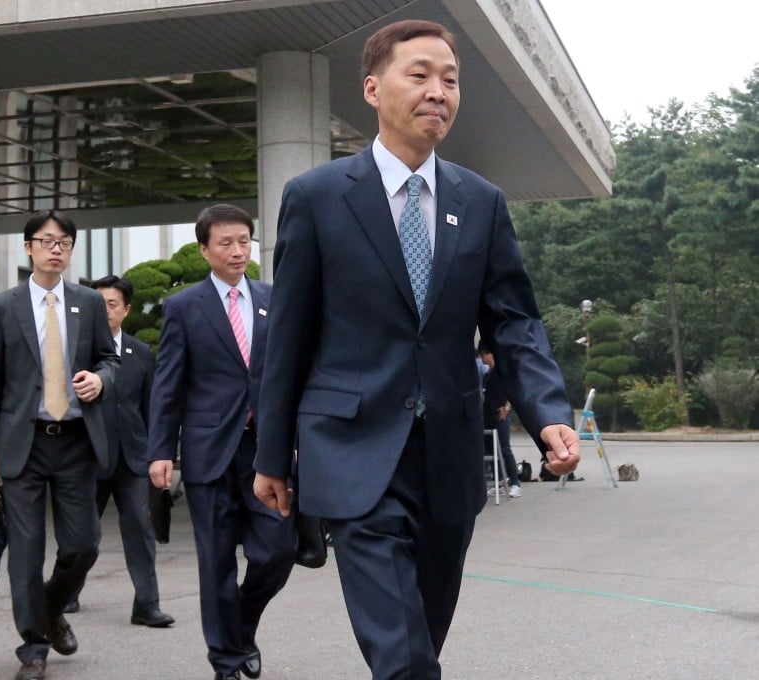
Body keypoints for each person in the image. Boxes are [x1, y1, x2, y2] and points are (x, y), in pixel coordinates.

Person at [253, 20, 581, 679]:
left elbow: (514, 322)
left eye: (450, 80)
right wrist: (273, 454)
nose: (438, 91)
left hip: (448, 453)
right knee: (405, 659)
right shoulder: (316, 197)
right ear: (373, 89)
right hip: (351, 447)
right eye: (421, 75)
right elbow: (289, 335)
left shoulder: (480, 202)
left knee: (421, 635)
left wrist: (548, 413)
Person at [148, 203, 297, 680]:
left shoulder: (273, 298)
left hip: (265, 450)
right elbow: (168, 384)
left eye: (244, 241)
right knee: (215, 562)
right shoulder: (182, 306)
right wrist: (161, 450)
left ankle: (241, 626)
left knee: (278, 550)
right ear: (204, 250)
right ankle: (226, 661)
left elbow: (290, 372)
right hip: (208, 450)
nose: (237, 251)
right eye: (226, 243)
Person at [0, 210, 118, 680]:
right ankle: (33, 647)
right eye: (46, 241)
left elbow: (110, 359)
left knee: (83, 544)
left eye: (64, 242)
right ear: (29, 248)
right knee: (26, 551)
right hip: (24, 443)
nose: (55, 249)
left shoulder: (89, 303)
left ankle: (52, 608)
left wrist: (101, 379)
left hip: (76, 442)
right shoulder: (3, 306)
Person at [63, 275, 175, 627]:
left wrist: (159, 452)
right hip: (89, 456)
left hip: (133, 458)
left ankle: (147, 604)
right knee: (82, 534)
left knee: (141, 530)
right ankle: (67, 591)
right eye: (99, 305)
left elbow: (151, 406)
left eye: (112, 304)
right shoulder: (75, 350)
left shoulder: (139, 352)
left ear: (126, 310)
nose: (105, 311)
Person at [478, 342, 522, 498]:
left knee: (504, 449)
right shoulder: (487, 375)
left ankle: (515, 483)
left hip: (500, 416)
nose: (481, 359)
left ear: (489, 354)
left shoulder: (502, 372)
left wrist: (506, 407)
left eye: (482, 355)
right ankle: (499, 482)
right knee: (490, 450)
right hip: (487, 415)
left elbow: (513, 392)